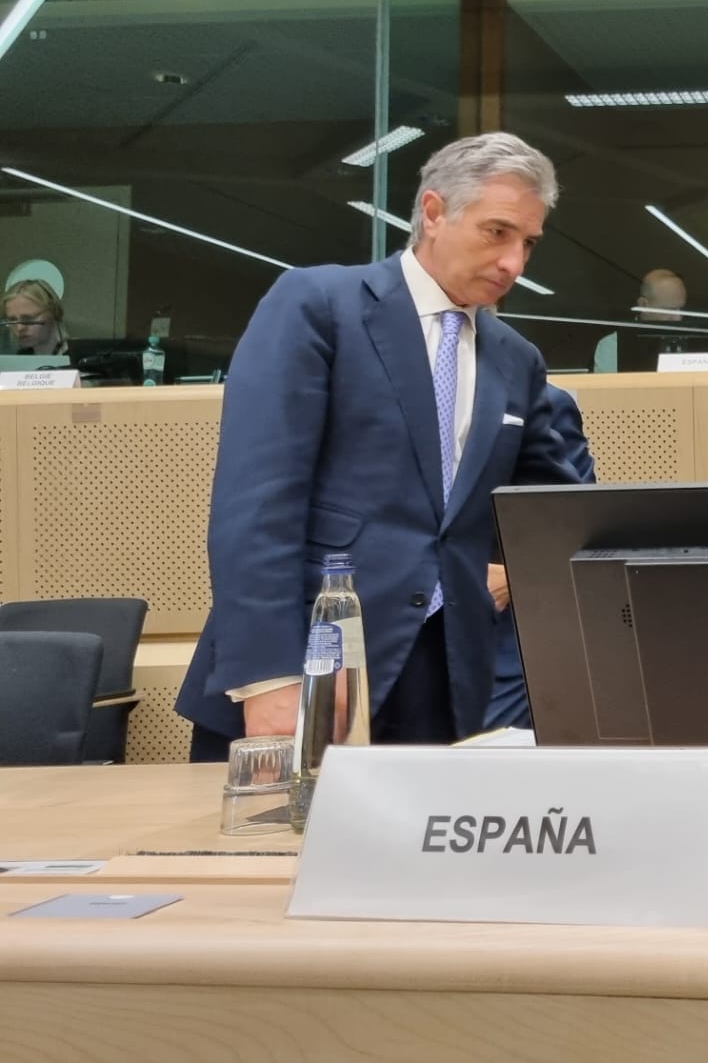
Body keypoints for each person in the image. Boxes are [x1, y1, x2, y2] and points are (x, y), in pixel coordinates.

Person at [176, 133, 585, 761]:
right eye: (497, 232)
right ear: (434, 212)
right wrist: (270, 676)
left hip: (446, 684)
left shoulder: (516, 359)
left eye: (528, 242)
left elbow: (551, 511)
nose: (514, 263)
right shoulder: (319, 306)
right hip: (312, 666)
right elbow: (257, 502)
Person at [484, 382, 597, 731]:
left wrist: (514, 578)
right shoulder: (394, 402)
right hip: (405, 632)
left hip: (507, 630)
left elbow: (578, 526)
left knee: (483, 750)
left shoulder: (542, 403)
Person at [3, 278, 69, 357]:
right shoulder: (20, 358)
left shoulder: (78, 356)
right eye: (12, 320)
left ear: (53, 312)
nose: (19, 328)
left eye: (28, 319)